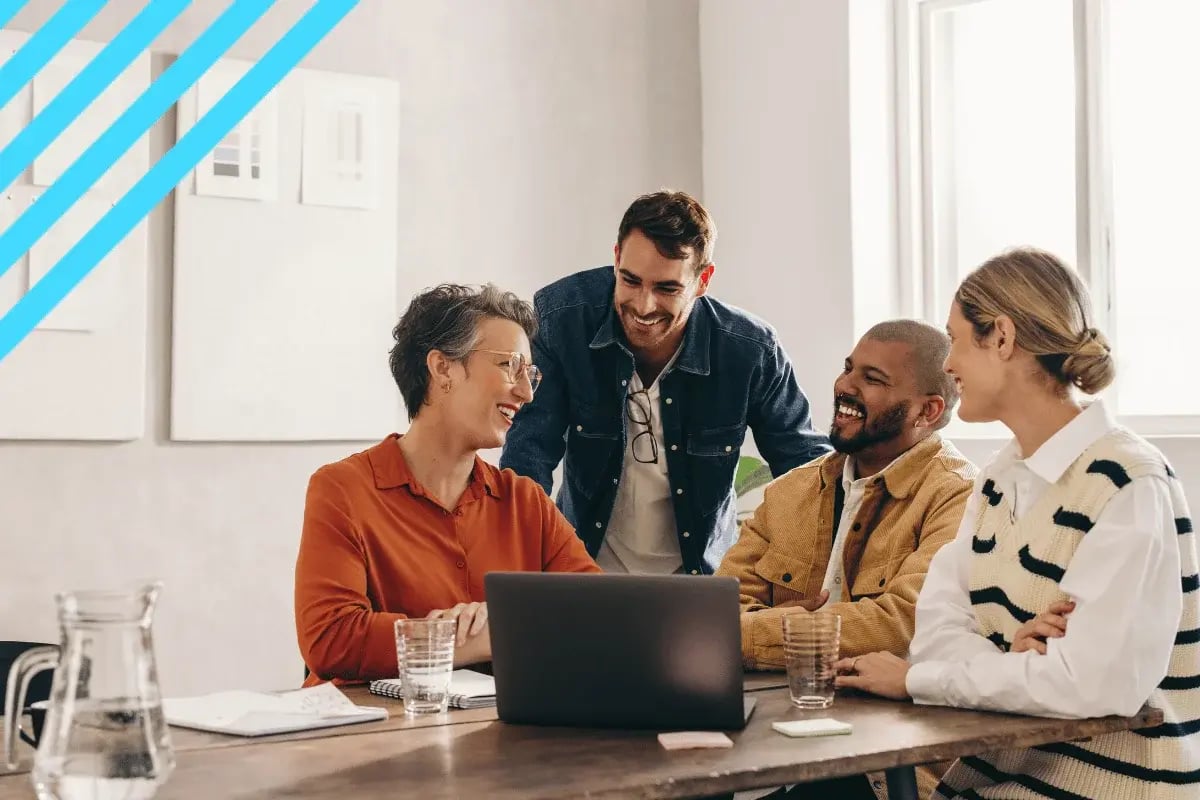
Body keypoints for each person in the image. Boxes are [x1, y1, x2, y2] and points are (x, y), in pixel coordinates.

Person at [838, 247, 1200, 799]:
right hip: (996, 778)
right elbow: (935, 635)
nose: (950, 363)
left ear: (1002, 338)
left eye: (956, 338)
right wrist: (1013, 658)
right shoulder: (997, 479)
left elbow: (1091, 686)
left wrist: (917, 680)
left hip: (1104, 787)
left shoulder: (1129, 482)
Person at [499, 190, 831, 575]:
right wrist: (522, 575)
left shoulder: (750, 351)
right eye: (631, 280)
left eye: (667, 289)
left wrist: (789, 575)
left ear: (703, 280)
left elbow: (807, 471)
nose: (643, 305)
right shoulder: (562, 319)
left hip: (700, 581)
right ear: (616, 258)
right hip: (584, 572)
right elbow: (529, 457)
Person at [716, 319, 976, 800]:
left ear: (928, 410)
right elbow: (717, 613)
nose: (844, 387)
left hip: (884, 759)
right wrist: (780, 629)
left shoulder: (959, 497)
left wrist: (773, 631)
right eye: (847, 368)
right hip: (771, 742)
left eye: (872, 379)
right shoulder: (791, 490)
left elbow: (898, 624)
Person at [294, 284, 600, 687]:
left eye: (531, 374)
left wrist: (496, 626)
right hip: (369, 740)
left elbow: (598, 617)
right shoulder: (342, 490)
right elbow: (331, 639)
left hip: (496, 738)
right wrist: (469, 640)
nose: (526, 393)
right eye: (510, 365)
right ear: (442, 369)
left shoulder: (525, 503)